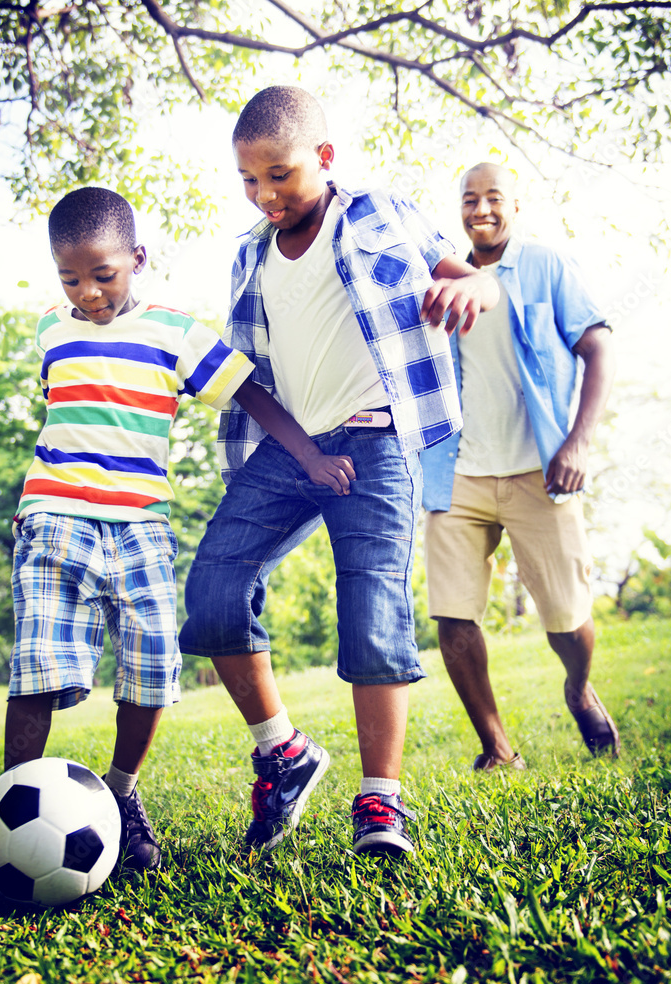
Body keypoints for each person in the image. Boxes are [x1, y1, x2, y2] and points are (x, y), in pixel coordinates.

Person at [179, 86, 499, 856]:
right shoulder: (250, 254)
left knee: (372, 607)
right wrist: (304, 456)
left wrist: (470, 285)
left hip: (379, 442)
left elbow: (472, 277)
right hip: (291, 450)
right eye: (250, 182)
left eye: (280, 175)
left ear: (324, 158)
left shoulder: (382, 213)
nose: (266, 195)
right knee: (215, 589)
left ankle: (380, 803)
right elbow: (249, 373)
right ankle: (282, 755)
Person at [5, 186, 356, 872]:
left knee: (150, 670)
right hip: (55, 517)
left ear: (137, 258)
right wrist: (38, 498)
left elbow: (251, 393)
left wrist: (311, 454)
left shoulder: (176, 332)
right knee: (38, 667)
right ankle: (10, 807)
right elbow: (67, 420)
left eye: (104, 275)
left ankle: (120, 792)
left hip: (141, 526)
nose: (90, 294)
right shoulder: (51, 328)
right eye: (71, 278)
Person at [420, 161, 620, 772]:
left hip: (541, 467)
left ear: (515, 205)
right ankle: (497, 747)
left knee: (567, 616)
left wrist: (578, 444)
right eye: (469, 199)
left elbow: (598, 346)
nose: (481, 209)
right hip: (456, 473)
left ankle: (579, 688)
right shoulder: (439, 276)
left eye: (493, 198)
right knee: (452, 618)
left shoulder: (545, 266)